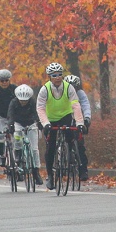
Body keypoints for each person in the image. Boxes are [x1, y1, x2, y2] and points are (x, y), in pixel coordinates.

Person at [36, 62, 85, 190]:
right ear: (49, 77)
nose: (57, 77)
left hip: (66, 116)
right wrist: (45, 124)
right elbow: (40, 108)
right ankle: (51, 176)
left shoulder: (69, 87)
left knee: (70, 138)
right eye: (54, 75)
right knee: (50, 147)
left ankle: (71, 158)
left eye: (59, 74)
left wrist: (80, 123)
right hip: (50, 119)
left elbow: (75, 105)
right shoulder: (44, 89)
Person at [6, 84, 44, 185]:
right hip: (18, 124)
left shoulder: (32, 102)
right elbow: (10, 115)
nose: (23, 102)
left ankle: (36, 172)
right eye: (21, 100)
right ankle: (18, 158)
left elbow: (37, 113)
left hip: (31, 124)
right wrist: (11, 125)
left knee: (35, 149)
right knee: (17, 139)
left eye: (25, 100)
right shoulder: (13, 102)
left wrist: (39, 123)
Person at [63, 74, 91, 181]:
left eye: (74, 87)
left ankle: (83, 170)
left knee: (80, 146)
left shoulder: (80, 94)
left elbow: (85, 105)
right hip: (65, 118)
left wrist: (87, 118)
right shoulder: (61, 94)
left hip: (77, 119)